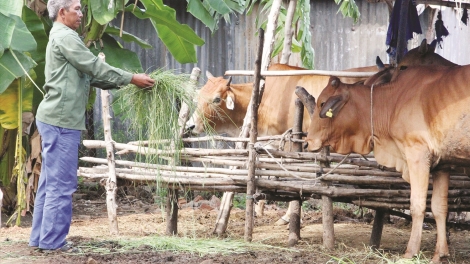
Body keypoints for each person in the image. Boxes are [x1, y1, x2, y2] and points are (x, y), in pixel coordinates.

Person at [29, 0, 155, 252]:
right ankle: (53, 243)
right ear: (62, 13)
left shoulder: (62, 36)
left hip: (55, 118)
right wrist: (131, 77)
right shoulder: (66, 36)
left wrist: (127, 83)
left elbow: (91, 75)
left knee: (49, 182)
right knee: (61, 184)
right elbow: (94, 65)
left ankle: (40, 239)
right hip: (61, 121)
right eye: (76, 8)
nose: (81, 12)